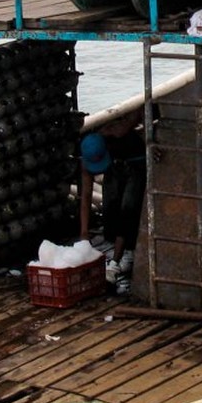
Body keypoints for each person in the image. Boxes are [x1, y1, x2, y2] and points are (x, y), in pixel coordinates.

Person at [78, 111, 146, 294]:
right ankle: (119, 253)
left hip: (135, 161)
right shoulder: (87, 155)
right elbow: (85, 197)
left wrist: (150, 142)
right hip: (115, 166)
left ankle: (119, 258)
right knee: (110, 208)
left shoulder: (119, 131)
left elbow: (140, 113)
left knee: (128, 207)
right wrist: (84, 234)